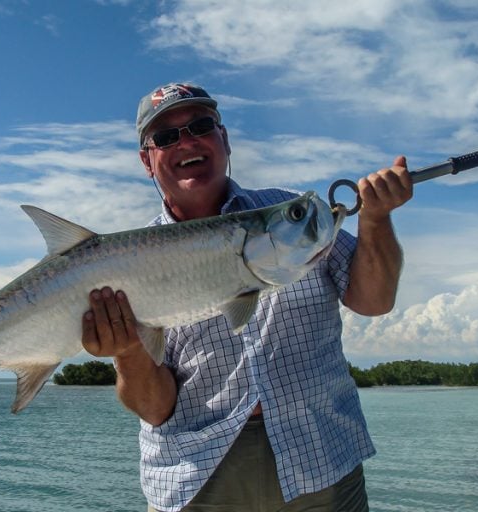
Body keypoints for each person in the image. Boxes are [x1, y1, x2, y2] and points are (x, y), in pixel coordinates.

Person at [81, 83, 413, 512]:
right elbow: (156, 408)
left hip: (323, 457)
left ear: (224, 139)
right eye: (165, 137)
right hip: (196, 476)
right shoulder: (128, 264)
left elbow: (374, 301)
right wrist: (127, 350)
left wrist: (377, 219)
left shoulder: (294, 215)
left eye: (200, 126)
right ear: (147, 161)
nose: (187, 141)